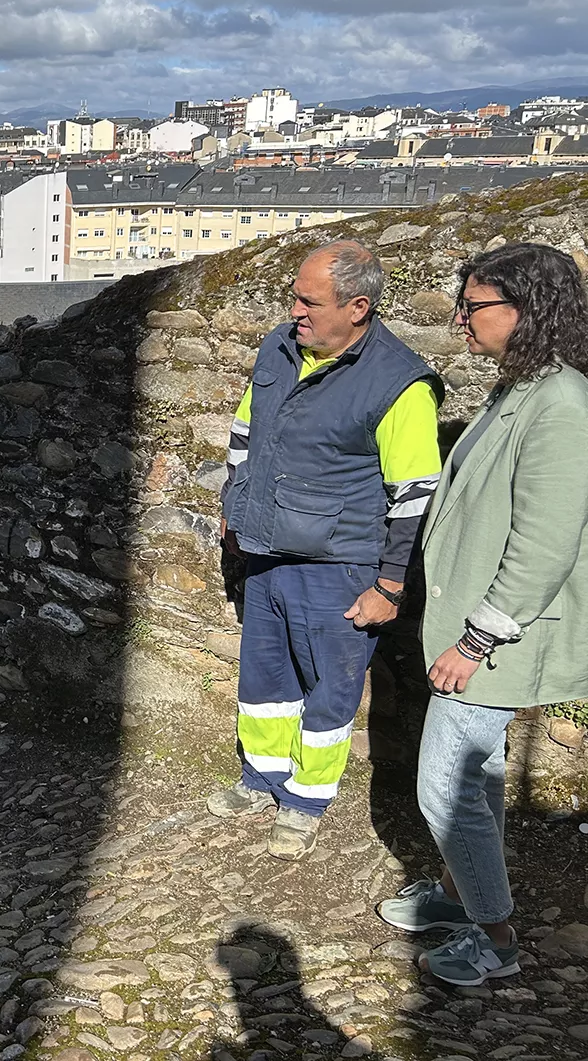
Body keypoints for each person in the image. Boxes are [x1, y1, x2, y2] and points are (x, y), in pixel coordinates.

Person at [376, 242, 588, 986]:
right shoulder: (521, 388)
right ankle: (461, 894)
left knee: (445, 785)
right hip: (479, 625)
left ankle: (494, 937)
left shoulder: (561, 403)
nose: (462, 318)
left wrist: (475, 637)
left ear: (526, 311)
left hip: (497, 634)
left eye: (475, 307)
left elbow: (545, 541)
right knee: (480, 776)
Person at [208, 240, 442, 859]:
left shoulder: (400, 384)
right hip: (267, 551)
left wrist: (389, 585)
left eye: (309, 302)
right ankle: (260, 778)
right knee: (264, 676)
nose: (295, 312)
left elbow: (415, 495)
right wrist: (234, 504)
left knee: (329, 689)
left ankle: (305, 802)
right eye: (294, 297)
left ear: (358, 307)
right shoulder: (280, 347)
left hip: (341, 565)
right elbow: (244, 430)